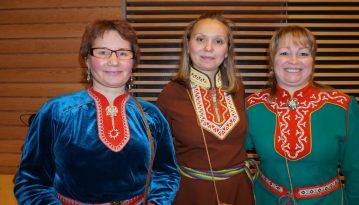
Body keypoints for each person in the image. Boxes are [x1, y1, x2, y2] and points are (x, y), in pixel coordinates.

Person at [14, 19, 180, 205]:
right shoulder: (56, 112)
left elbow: (166, 174)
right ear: (86, 59)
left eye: (123, 53)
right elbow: (31, 181)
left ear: (133, 62)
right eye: (102, 52)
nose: (114, 61)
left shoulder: (152, 116)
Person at [245, 25, 359, 205]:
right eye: (284, 53)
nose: (294, 60)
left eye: (303, 53)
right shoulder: (252, 105)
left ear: (313, 62)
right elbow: (228, 154)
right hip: (266, 200)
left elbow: (358, 170)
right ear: (271, 61)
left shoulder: (342, 106)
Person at [156, 12, 254, 205]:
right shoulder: (170, 94)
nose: (208, 48)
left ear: (227, 50)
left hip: (238, 191)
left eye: (218, 41)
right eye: (200, 39)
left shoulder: (238, 89)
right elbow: (158, 156)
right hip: (191, 193)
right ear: (188, 45)